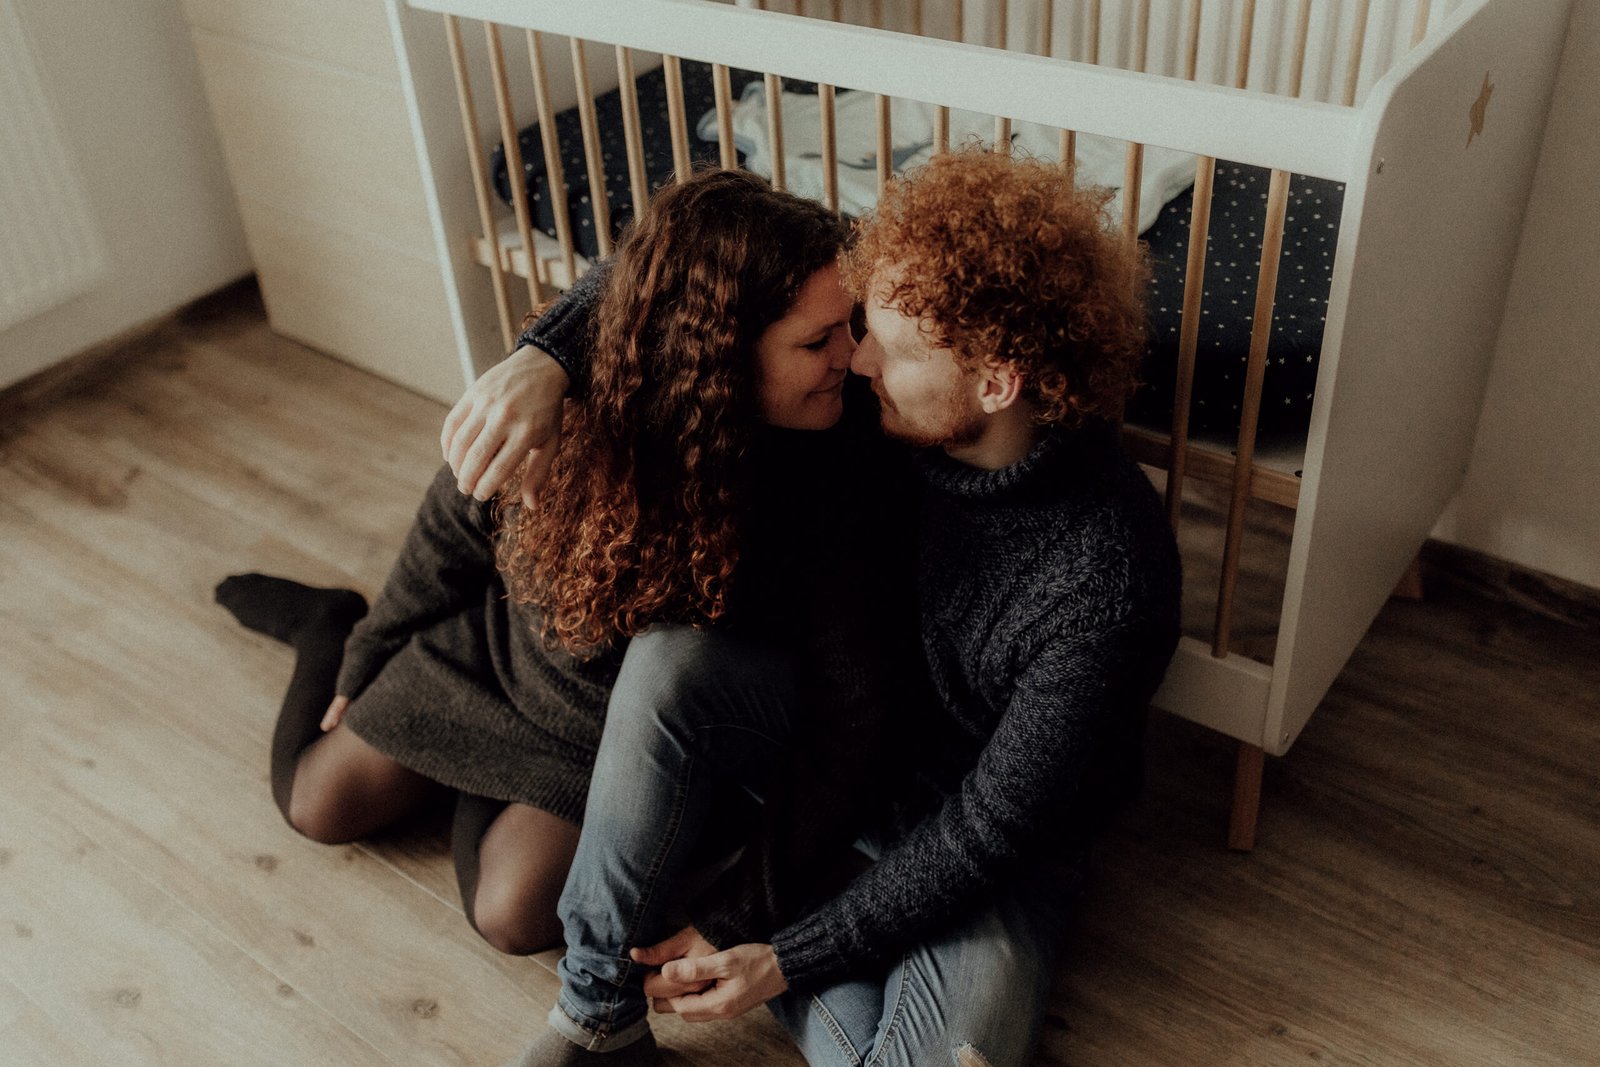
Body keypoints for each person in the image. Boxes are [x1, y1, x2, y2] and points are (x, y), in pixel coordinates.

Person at [463, 148, 1183, 1067]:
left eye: (887, 344)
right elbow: (693, 265)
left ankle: (811, 909)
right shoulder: (890, 391)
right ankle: (594, 1017)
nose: (857, 356)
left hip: (987, 833)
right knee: (676, 656)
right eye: (853, 328)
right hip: (847, 747)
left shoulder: (1103, 577)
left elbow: (989, 831)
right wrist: (545, 357)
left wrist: (778, 953)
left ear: (997, 381)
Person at [214, 168, 925, 964]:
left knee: (512, 915)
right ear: (721, 350)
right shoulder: (581, 399)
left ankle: (483, 780)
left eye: (851, 325)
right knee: (317, 805)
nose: (853, 356)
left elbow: (848, 713)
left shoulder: (835, 464)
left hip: (607, 729)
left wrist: (753, 893)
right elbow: (455, 522)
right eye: (817, 340)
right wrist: (370, 646)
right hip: (504, 649)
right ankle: (326, 620)